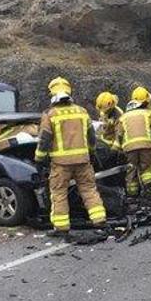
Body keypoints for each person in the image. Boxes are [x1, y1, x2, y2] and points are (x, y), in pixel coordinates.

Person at [34, 77, 106, 235]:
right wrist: (92, 152)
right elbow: (91, 137)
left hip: (61, 164)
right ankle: (99, 219)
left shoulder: (50, 115)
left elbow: (44, 139)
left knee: (59, 193)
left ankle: (61, 227)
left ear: (52, 94)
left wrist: (39, 159)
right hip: (83, 161)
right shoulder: (82, 112)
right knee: (88, 189)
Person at [116, 86, 151, 197]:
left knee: (131, 172)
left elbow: (119, 135)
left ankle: (133, 197)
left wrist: (121, 148)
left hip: (129, 149)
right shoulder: (149, 114)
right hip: (146, 146)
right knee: (146, 169)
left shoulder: (123, 117)